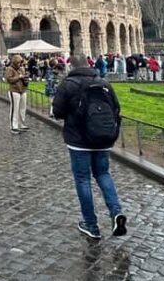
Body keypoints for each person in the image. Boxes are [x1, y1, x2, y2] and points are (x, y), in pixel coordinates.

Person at [52, 54, 126, 239]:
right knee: (103, 174)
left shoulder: (68, 84)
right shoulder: (104, 83)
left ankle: (91, 224)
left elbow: (58, 112)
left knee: (83, 179)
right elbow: (116, 108)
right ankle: (116, 211)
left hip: (79, 141)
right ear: (88, 64)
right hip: (103, 138)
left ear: (71, 66)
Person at [6, 55, 29, 134]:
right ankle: (13, 126)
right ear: (15, 62)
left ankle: (21, 124)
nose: (20, 64)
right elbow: (9, 80)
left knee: (23, 108)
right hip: (14, 90)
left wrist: (26, 78)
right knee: (14, 109)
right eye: (19, 62)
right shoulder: (10, 69)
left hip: (23, 90)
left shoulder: (22, 69)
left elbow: (24, 78)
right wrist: (19, 77)